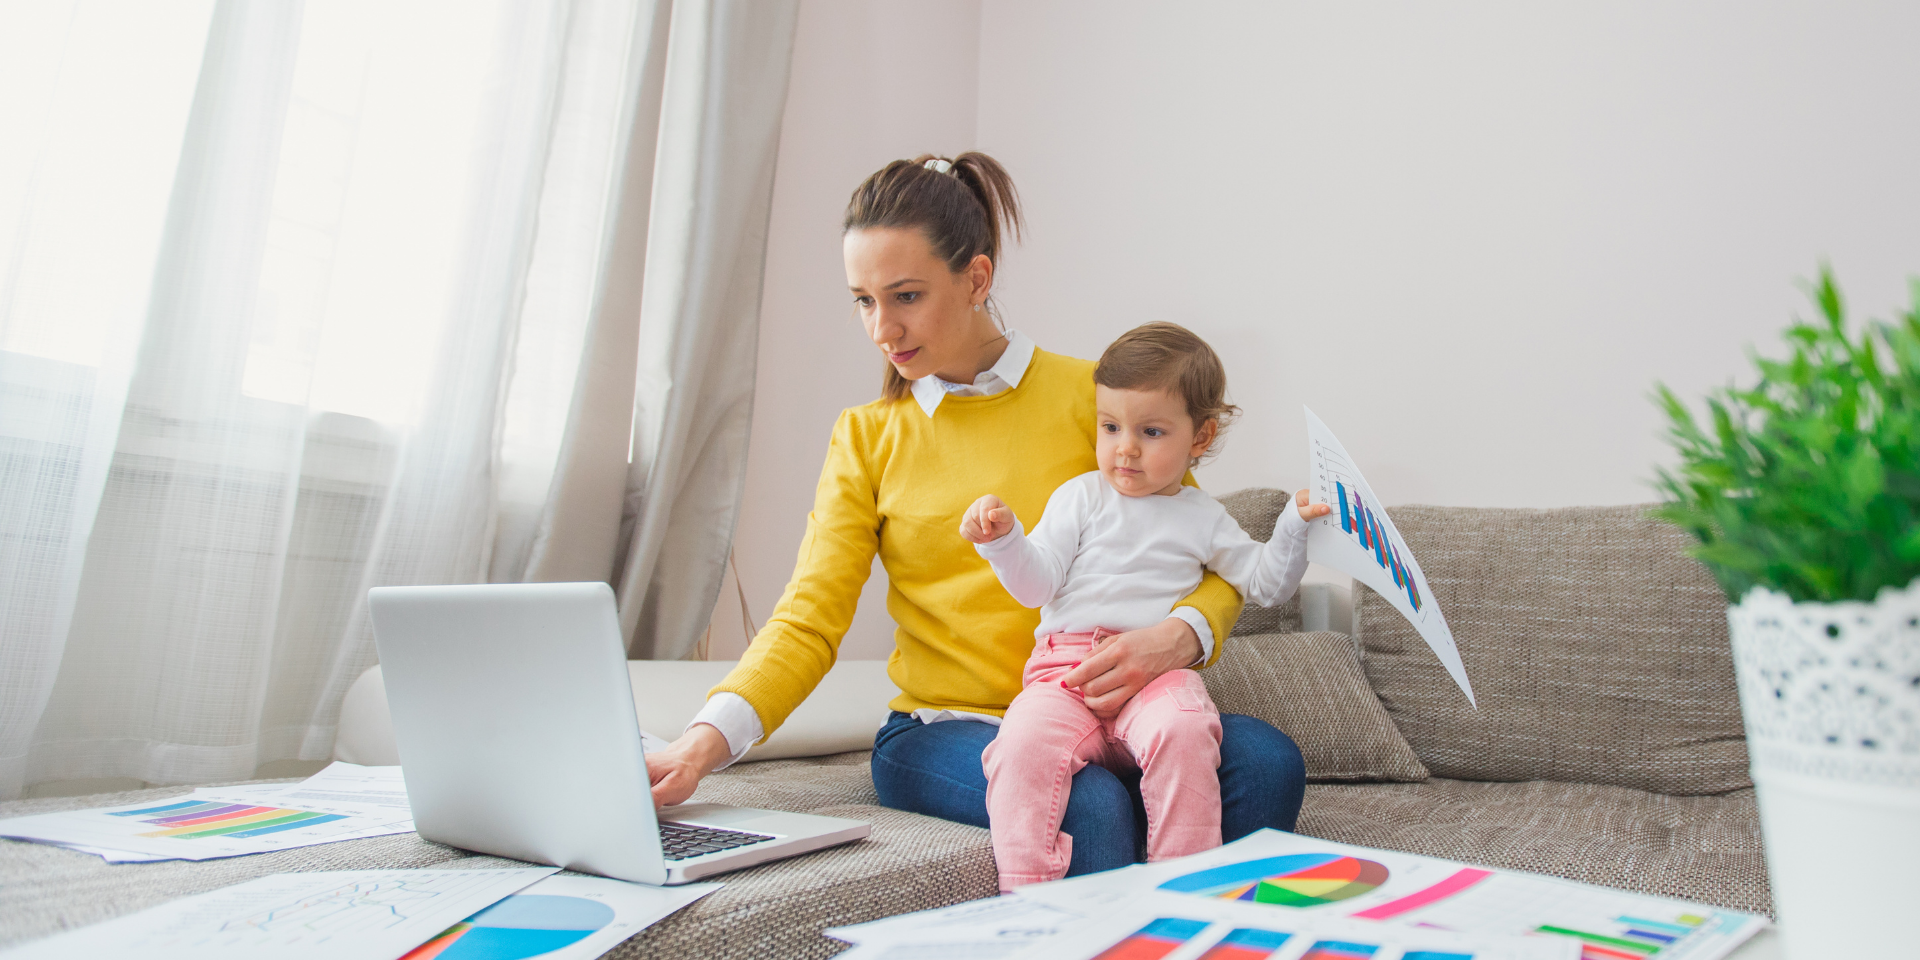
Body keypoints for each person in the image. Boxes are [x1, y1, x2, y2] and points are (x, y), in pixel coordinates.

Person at [644, 152, 1308, 878]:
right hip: (941, 726)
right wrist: (702, 741)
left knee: (1270, 764)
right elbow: (809, 618)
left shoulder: (1092, 396)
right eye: (864, 300)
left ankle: (1180, 927)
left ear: (977, 279)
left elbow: (1203, 542)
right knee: (1087, 805)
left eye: (904, 296)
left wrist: (1181, 635)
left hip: (1104, 703)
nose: (881, 329)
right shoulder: (867, 436)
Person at [960, 322, 1330, 891]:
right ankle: (1025, 897)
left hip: (1154, 679)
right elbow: (1036, 587)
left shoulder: (1200, 516)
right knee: (1020, 745)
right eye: (1111, 427)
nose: (1125, 448)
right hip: (1066, 672)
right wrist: (1005, 541)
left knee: (1186, 727)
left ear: (1199, 439)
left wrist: (1292, 530)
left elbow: (1264, 584)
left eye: (1151, 431)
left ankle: (1185, 887)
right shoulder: (1080, 496)